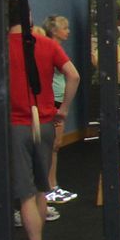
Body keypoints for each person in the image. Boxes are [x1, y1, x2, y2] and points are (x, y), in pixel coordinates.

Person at [0, 0, 77, 240]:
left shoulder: (0, 47)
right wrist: (62, 111)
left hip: (15, 125)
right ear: (29, 17)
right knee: (41, 190)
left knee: (26, 195)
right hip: (43, 123)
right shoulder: (46, 44)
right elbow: (73, 75)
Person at [40, 15, 77, 205]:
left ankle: (52, 185)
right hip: (53, 102)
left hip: (58, 101)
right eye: (65, 28)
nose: (68, 31)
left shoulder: (55, 49)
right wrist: (62, 107)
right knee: (52, 146)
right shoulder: (49, 48)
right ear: (54, 30)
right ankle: (49, 187)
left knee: (54, 146)